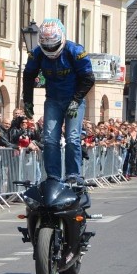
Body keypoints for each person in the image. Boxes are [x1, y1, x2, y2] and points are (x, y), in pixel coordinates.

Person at [22, 18, 95, 180]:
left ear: (61, 39)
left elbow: (88, 78)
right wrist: (27, 100)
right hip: (53, 100)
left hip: (73, 99)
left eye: (53, 45)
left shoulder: (75, 51)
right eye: (46, 46)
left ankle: (73, 174)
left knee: (72, 137)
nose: (50, 49)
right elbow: (28, 76)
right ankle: (53, 176)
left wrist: (76, 100)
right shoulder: (37, 54)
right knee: (49, 139)